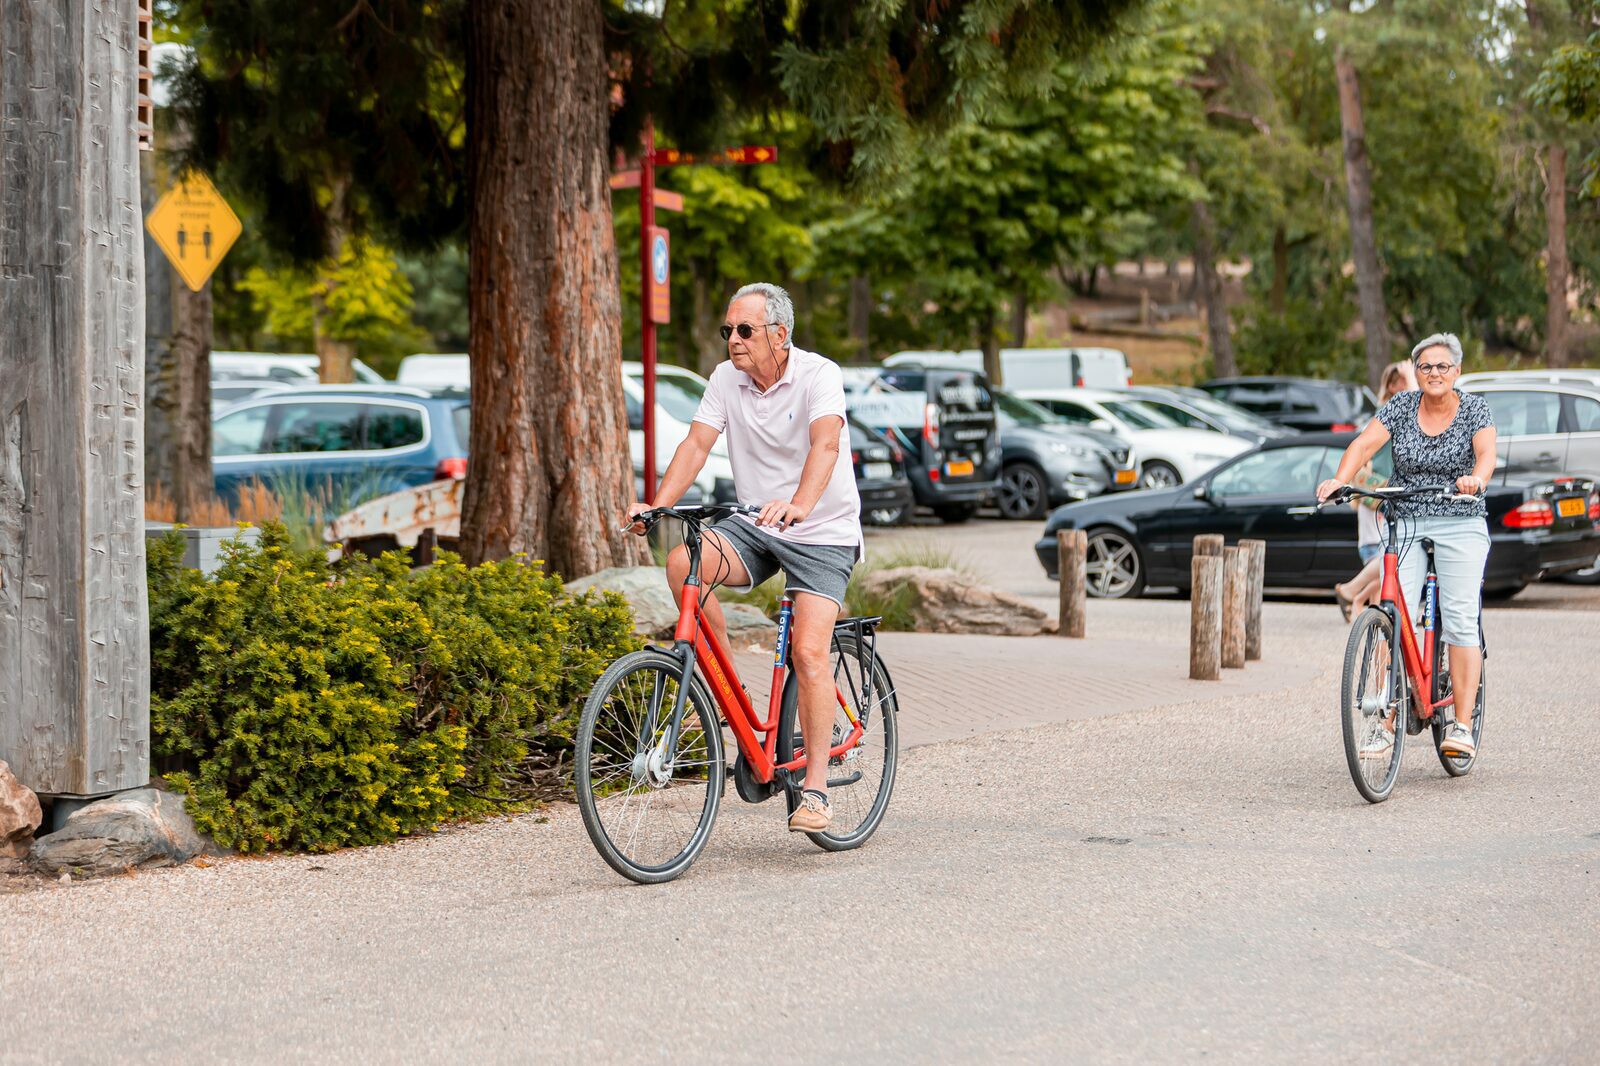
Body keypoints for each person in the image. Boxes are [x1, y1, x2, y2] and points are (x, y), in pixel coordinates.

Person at [625, 282, 861, 833]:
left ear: (779, 336)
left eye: (745, 330)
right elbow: (696, 445)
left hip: (820, 530)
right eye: (727, 330)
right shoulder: (725, 380)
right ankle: (732, 704)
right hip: (757, 524)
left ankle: (818, 791)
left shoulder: (819, 375)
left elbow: (826, 444)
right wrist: (658, 507)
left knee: (807, 652)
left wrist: (802, 504)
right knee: (685, 563)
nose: (733, 340)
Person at [1316, 332, 1495, 759]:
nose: (1434, 373)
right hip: (1408, 517)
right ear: (1415, 373)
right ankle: (1384, 720)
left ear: (1457, 371)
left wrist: (1476, 480)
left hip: (1460, 516)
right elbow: (1363, 445)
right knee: (1392, 614)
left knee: (1458, 617)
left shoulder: (1474, 409)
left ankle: (1463, 725)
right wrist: (1342, 479)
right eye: (1426, 367)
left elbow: (1486, 455)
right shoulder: (1399, 407)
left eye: (1443, 366)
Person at [1333, 360, 1418, 620]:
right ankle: (1355, 595)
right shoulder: (1388, 412)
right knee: (1386, 556)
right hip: (1382, 494)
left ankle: (1356, 597)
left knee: (1392, 563)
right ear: (1394, 385)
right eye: (1406, 378)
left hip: (1391, 492)